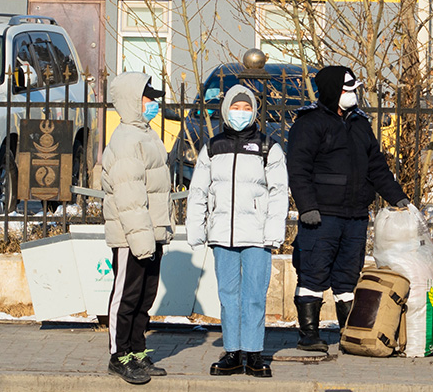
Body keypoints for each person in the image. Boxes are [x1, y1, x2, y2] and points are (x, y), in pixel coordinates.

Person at [287, 65, 410, 352]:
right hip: (321, 215)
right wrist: (306, 207)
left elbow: (377, 166)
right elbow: (298, 168)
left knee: (347, 277)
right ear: (332, 91)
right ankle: (309, 335)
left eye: (354, 90)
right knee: (313, 272)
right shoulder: (310, 124)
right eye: (347, 90)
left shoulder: (360, 124)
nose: (352, 95)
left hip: (355, 215)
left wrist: (398, 198)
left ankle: (349, 333)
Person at [187, 85, 288, 378]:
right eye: (235, 107)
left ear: (254, 111)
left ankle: (254, 353)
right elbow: (198, 191)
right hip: (223, 235)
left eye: (246, 108)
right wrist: (197, 228)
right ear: (226, 109)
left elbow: (279, 192)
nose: (240, 113)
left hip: (257, 235)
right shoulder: (213, 147)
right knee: (228, 295)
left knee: (255, 295)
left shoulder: (268, 147)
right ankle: (232, 352)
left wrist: (273, 231)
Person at [102, 72, 173, 385]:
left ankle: (137, 350)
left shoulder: (146, 135)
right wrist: (142, 240)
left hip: (149, 233)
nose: (153, 103)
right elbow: (129, 196)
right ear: (133, 100)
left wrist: (157, 234)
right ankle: (119, 356)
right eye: (148, 97)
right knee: (127, 296)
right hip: (132, 236)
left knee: (144, 297)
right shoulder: (127, 140)